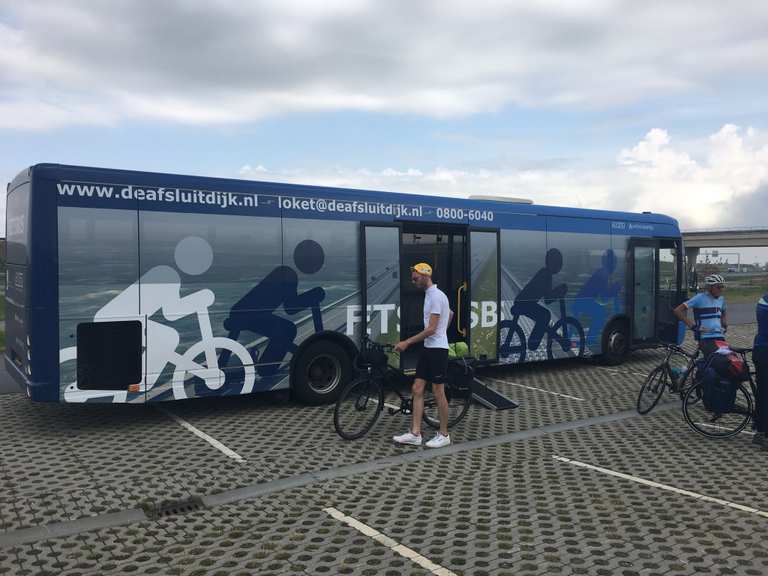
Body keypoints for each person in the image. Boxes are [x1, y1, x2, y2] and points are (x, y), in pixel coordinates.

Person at [393, 262, 454, 449]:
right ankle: (415, 433)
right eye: (412, 278)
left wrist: (407, 342)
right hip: (430, 348)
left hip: (437, 350)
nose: (413, 281)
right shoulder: (431, 295)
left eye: (415, 278)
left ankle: (444, 434)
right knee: (417, 388)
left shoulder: (436, 296)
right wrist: (442, 331)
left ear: (426, 275)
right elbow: (450, 314)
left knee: (438, 392)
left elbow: (431, 329)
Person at [511, 248, 568, 352]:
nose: (559, 267)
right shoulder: (546, 275)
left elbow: (547, 296)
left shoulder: (545, 272)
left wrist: (556, 291)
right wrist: (559, 291)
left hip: (524, 302)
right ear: (554, 263)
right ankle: (533, 344)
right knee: (545, 315)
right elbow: (548, 299)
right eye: (559, 264)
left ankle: (535, 341)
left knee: (543, 317)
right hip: (524, 304)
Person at [673, 274, 728, 356]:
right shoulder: (699, 298)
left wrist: (724, 325)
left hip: (720, 336)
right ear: (710, 287)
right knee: (716, 360)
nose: (721, 289)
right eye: (718, 287)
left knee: (728, 360)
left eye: (722, 287)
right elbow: (677, 311)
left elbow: (723, 312)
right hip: (705, 337)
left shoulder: (721, 299)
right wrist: (693, 327)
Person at [752, 292, 768, 449]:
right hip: (765, 353)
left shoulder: (763, 298)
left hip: (760, 350)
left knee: (763, 394)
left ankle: (760, 429)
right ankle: (761, 434)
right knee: (765, 395)